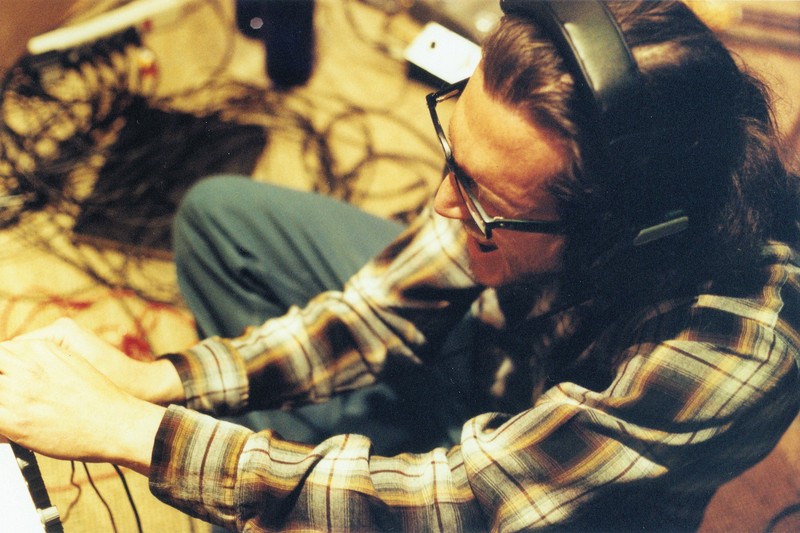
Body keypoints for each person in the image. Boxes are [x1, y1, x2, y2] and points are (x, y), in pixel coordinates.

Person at [1, 1, 799, 531]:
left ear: (616, 238)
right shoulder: (520, 193)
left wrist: (135, 431)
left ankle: (325, 475)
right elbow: (374, 312)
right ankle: (325, 470)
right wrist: (162, 381)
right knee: (222, 221)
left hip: (557, 496)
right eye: (456, 153)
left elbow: (462, 500)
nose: (444, 204)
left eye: (482, 194)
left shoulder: (735, 348)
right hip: (494, 373)